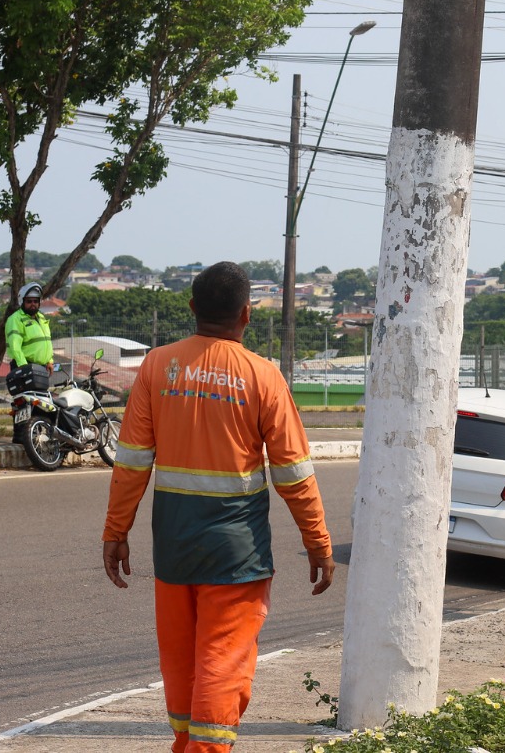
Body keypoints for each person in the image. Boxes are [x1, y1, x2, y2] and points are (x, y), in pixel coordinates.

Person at [102, 261, 335, 753]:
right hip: (236, 554)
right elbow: (294, 474)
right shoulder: (263, 376)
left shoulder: (157, 366)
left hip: (174, 548)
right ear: (247, 313)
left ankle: (185, 744)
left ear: (192, 307)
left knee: (182, 662)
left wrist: (115, 532)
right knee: (223, 664)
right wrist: (317, 542)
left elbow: (131, 462)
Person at [4, 282, 54, 385]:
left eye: (36, 301)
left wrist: (49, 361)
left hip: (41, 368)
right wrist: (24, 367)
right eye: (29, 301)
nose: (33, 304)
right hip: (25, 368)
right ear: (22, 301)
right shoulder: (16, 319)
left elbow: (45, 342)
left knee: (41, 395)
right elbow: (15, 347)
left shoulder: (41, 318)